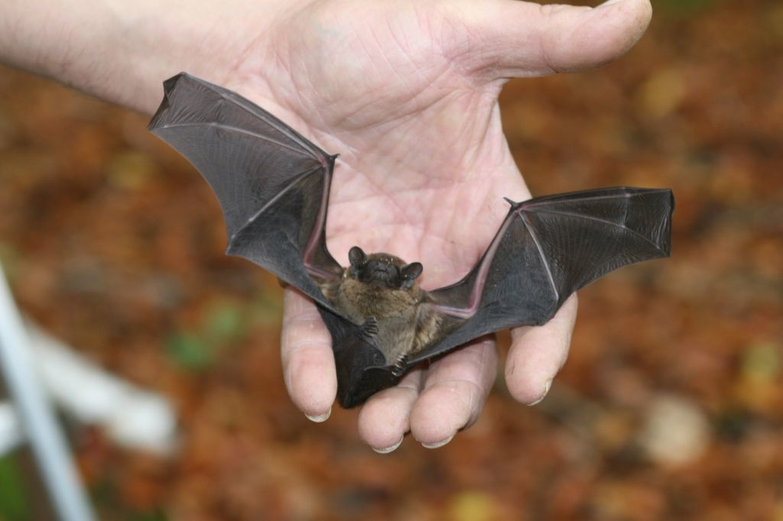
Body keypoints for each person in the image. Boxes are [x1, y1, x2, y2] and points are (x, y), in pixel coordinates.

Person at [0, 0, 652, 452]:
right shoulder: (330, 276)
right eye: (368, 262)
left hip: (393, 345)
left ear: (413, 280)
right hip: (372, 339)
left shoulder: (415, 304)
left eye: (385, 269)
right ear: (356, 259)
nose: (376, 268)